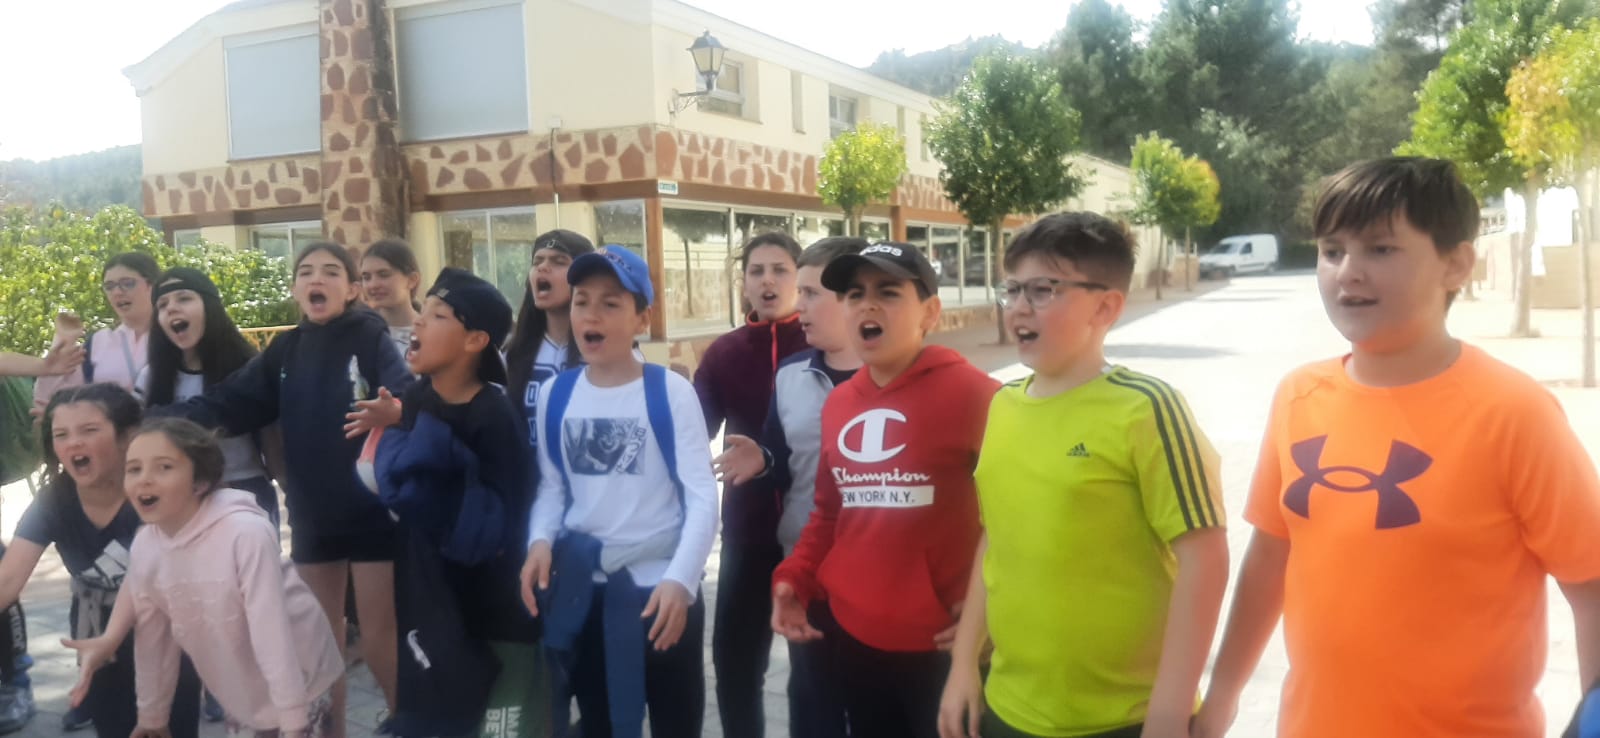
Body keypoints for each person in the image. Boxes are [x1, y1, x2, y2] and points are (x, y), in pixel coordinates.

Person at [1192, 157, 1600, 738]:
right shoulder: (1299, 395)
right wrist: (1223, 696)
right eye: (1332, 251)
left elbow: (1591, 586)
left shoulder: (1513, 412)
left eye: (1380, 250)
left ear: (1456, 264)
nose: (1348, 273)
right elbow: (1270, 557)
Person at [936, 213, 1229, 738]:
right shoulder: (1003, 405)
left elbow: (1205, 559)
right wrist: (963, 663)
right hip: (1009, 707)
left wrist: (1169, 712)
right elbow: (995, 541)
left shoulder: (1147, 408)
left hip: (1126, 718)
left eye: (1043, 290)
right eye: (1012, 289)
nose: (1019, 307)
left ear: (1106, 307)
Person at [154, 242, 412, 736]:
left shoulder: (369, 335)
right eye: (307, 271)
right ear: (295, 289)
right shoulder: (285, 350)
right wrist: (151, 422)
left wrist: (396, 409)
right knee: (320, 644)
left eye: (331, 271)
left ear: (351, 289)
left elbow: (407, 394)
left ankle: (408, 724)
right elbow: (230, 402)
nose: (318, 278)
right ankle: (331, 731)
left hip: (373, 510)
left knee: (380, 636)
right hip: (313, 512)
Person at [771, 242, 998, 738]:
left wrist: (994, 615)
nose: (867, 305)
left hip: (944, 649)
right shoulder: (840, 404)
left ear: (930, 313)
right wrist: (795, 578)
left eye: (888, 292)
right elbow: (830, 514)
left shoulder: (979, 396)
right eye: (855, 294)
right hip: (856, 640)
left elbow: (1016, 521)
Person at [519, 246, 719, 738]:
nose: (591, 315)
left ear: (641, 319)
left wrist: (681, 581)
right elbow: (552, 487)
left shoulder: (669, 392)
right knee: (600, 723)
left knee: (676, 723)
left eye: (610, 303)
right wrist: (539, 542)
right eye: (581, 301)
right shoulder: (557, 394)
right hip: (585, 593)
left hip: (661, 593)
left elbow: (702, 497)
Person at [63, 417, 343, 738]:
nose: (145, 480)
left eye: (164, 467)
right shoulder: (146, 547)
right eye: (134, 469)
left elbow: (272, 631)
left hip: (301, 679)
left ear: (200, 481)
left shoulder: (246, 534)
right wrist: (152, 715)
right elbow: (154, 638)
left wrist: (293, 721)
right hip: (242, 693)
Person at [356, 268, 540, 737]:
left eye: (438, 315)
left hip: (497, 610)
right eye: (426, 311)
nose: (419, 321)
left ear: (475, 340)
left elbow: (514, 514)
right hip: (433, 601)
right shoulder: (417, 398)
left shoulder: (493, 413)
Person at [713, 236, 866, 738]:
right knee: (797, 691)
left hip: (866, 562)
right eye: (756, 271)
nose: (772, 284)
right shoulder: (759, 364)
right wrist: (762, 460)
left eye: (806, 288)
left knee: (866, 695)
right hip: (779, 547)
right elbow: (779, 456)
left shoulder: (882, 367)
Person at [0, 384, 201, 738]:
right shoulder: (55, 500)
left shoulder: (157, 490)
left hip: (167, 635)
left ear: (128, 436)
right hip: (95, 637)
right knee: (113, 727)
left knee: (173, 727)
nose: (73, 443)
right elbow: (7, 579)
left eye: (89, 430)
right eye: (61, 434)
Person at [692, 232, 809, 738]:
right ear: (743, 283)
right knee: (736, 667)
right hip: (747, 535)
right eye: (756, 271)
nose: (767, 281)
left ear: (801, 280)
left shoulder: (824, 345)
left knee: (814, 673)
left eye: (780, 270)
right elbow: (692, 429)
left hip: (816, 536)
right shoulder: (725, 352)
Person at [137, 267, 283, 525]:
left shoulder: (248, 369)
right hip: (178, 497)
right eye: (162, 304)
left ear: (210, 306)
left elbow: (273, 444)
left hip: (245, 491)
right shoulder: (151, 376)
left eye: (184, 298)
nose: (172, 309)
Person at [33, 252, 160, 412]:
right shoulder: (99, 342)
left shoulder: (174, 336)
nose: (117, 292)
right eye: (109, 286)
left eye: (127, 283)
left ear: (152, 285)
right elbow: (50, 400)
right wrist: (64, 340)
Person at [504, 229, 597, 442]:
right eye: (537, 261)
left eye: (559, 262)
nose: (543, 267)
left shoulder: (607, 352)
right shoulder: (510, 354)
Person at [360, 240, 424, 360]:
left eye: (384, 275)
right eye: (366, 277)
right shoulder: (357, 333)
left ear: (412, 280)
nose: (373, 285)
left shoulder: (432, 334)